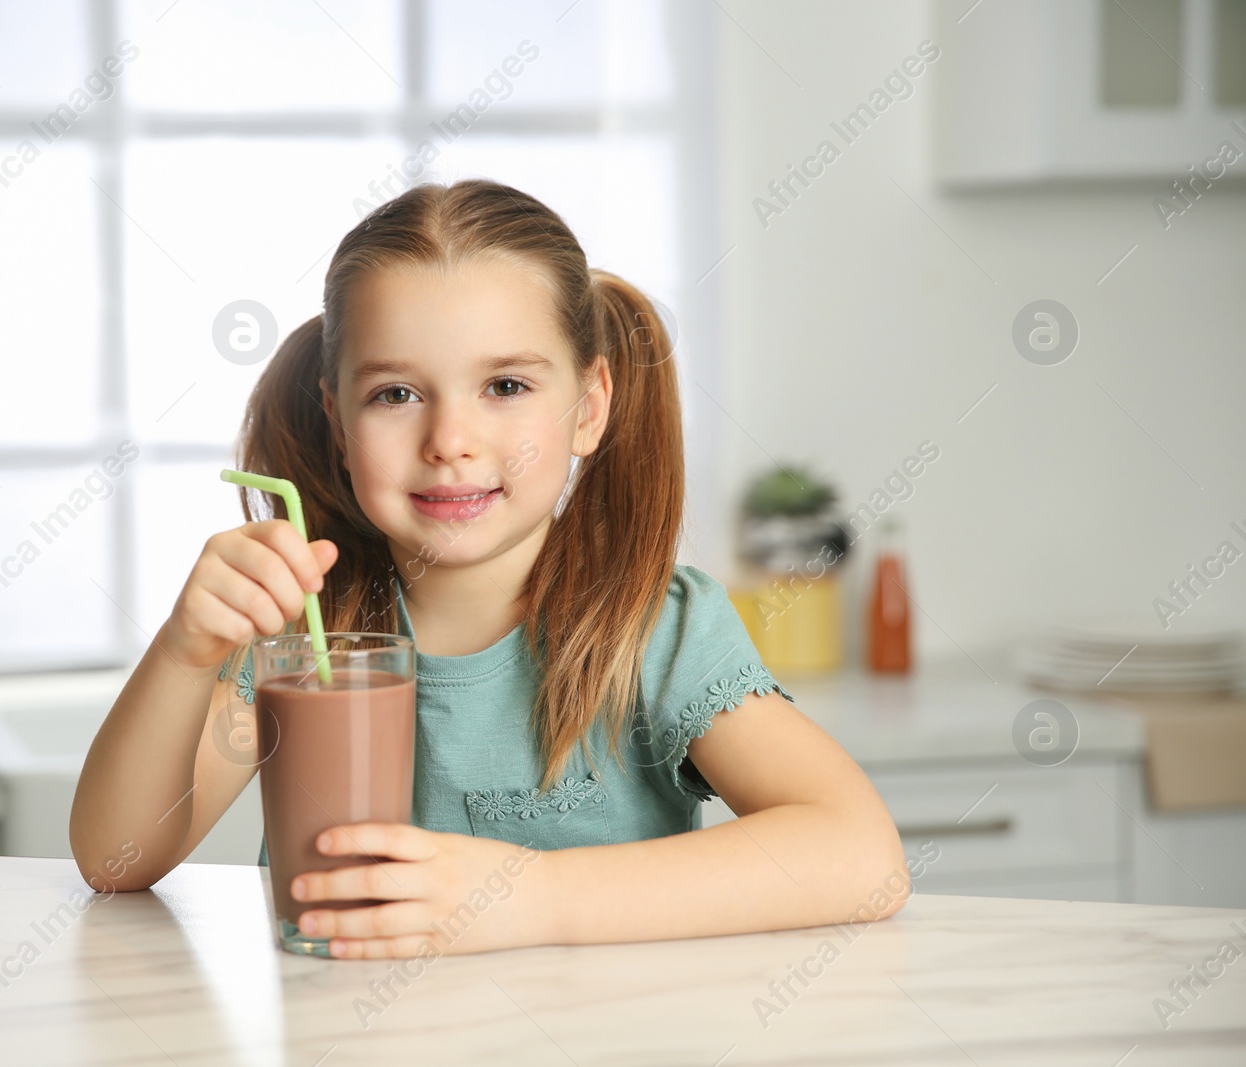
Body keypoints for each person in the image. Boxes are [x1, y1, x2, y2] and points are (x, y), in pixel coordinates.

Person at [70, 178, 908, 958]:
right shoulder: (303, 634)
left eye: (504, 385)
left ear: (588, 407)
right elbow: (117, 857)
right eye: (396, 394)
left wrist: (531, 897)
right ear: (337, 417)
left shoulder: (655, 632)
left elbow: (861, 853)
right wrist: (184, 651)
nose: (450, 440)